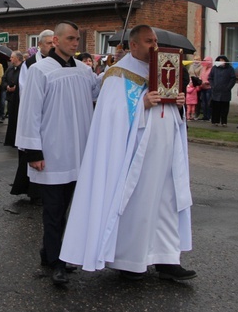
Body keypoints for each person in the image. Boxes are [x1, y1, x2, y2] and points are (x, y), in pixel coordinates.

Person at [60, 24, 195, 282]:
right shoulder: (118, 73)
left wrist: (178, 104)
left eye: (155, 40)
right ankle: (130, 261)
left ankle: (166, 259)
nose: (153, 45)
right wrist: (142, 103)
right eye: (147, 41)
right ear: (133, 45)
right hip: (136, 153)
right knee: (139, 203)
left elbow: (172, 112)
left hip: (166, 149)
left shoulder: (167, 68)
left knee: (167, 201)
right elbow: (110, 114)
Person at [16, 21, 100, 286]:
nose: (76, 44)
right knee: (53, 209)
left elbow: (99, 93)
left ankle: (51, 252)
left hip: (78, 150)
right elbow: (29, 113)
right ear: (56, 41)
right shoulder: (40, 70)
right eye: (71, 39)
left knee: (70, 208)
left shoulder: (85, 71)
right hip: (52, 151)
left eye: (78, 39)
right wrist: (33, 152)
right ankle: (56, 262)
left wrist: (115, 71)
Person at [11, 30, 53, 204]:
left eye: (54, 42)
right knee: (33, 150)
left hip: (51, 115)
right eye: (49, 43)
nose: (52, 46)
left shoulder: (58, 62)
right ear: (40, 45)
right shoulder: (29, 64)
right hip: (35, 110)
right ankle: (33, 191)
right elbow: (25, 88)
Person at [3, 51, 23, 148]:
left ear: (17, 58)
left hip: (19, 99)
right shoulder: (9, 69)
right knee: (11, 119)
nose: (10, 59)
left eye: (12, 57)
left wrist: (17, 88)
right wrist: (7, 87)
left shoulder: (24, 68)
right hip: (10, 97)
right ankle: (11, 140)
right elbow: (4, 79)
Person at [209, 55, 237, 126]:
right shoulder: (214, 68)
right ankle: (215, 121)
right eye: (219, 60)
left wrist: (228, 87)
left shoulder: (230, 69)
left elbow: (233, 79)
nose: (221, 62)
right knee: (216, 107)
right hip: (216, 91)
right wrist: (213, 86)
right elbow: (210, 77)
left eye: (222, 60)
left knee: (224, 108)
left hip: (225, 91)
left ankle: (224, 122)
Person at [197, 56, 213, 120]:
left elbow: (212, 79)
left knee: (208, 102)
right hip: (202, 88)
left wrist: (207, 82)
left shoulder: (212, 69)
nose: (204, 62)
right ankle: (204, 115)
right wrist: (199, 81)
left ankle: (209, 116)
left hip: (209, 88)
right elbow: (201, 76)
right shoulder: (203, 69)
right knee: (203, 102)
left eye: (206, 60)